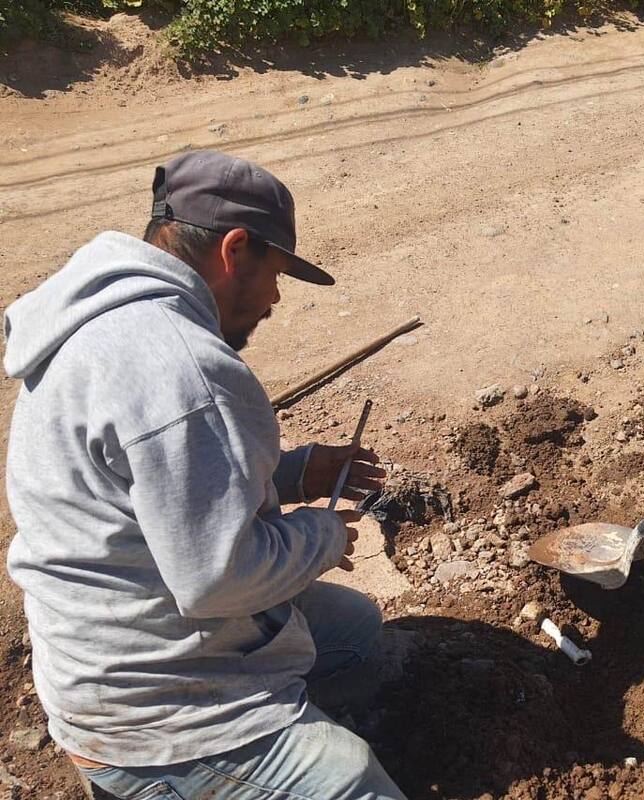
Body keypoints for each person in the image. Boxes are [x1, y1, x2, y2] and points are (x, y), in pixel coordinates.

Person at [3, 150, 406, 798]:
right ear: (234, 250)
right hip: (149, 711)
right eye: (273, 275)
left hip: (105, 643)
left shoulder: (99, 322)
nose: (275, 298)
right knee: (354, 780)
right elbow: (220, 576)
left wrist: (294, 475)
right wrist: (322, 537)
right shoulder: (181, 368)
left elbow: (153, 490)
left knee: (352, 632)